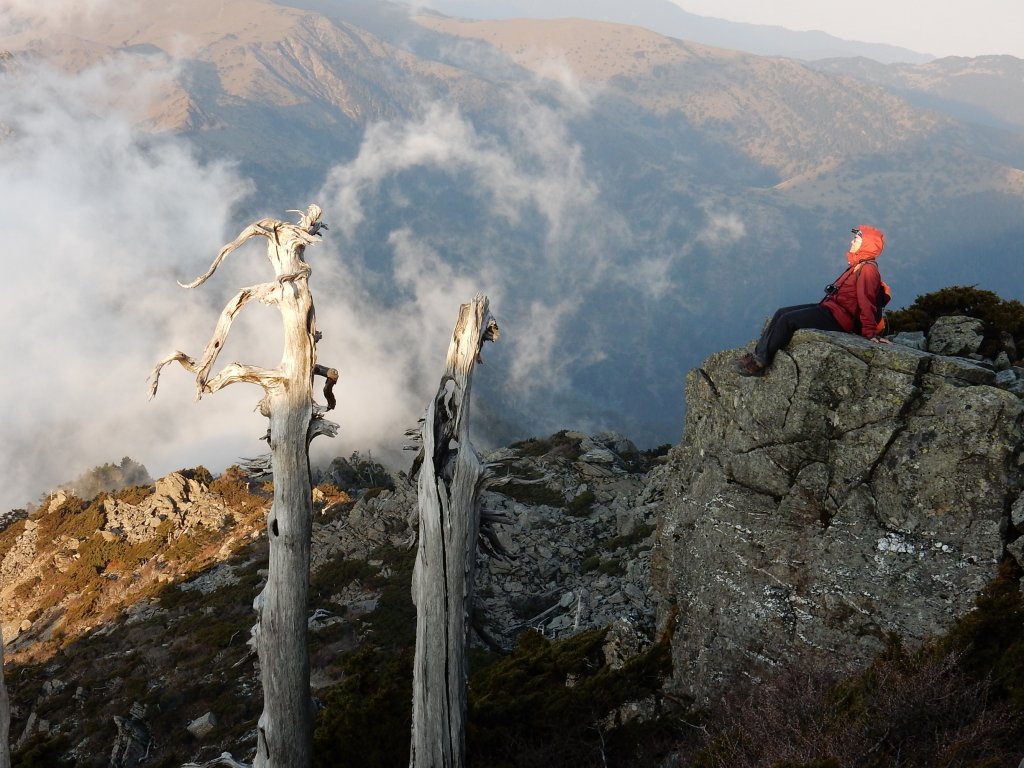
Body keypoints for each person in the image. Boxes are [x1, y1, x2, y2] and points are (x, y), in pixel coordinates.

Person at [734, 225, 891, 377]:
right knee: (782, 312)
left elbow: (866, 302)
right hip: (831, 308)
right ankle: (757, 354)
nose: (852, 241)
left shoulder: (868, 270)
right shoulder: (858, 265)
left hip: (839, 318)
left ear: (866, 245)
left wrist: (870, 333)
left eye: (856, 240)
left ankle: (760, 362)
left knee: (788, 320)